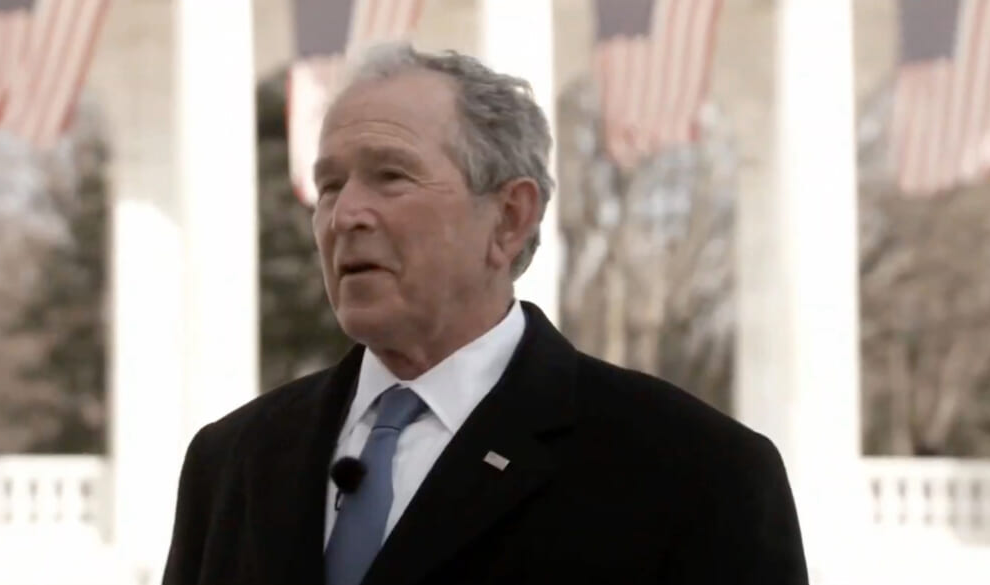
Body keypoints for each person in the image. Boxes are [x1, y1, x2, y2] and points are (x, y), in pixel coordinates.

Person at [162, 43, 808, 585]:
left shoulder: (696, 472)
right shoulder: (231, 463)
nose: (345, 214)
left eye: (391, 176)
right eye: (330, 185)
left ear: (508, 218)